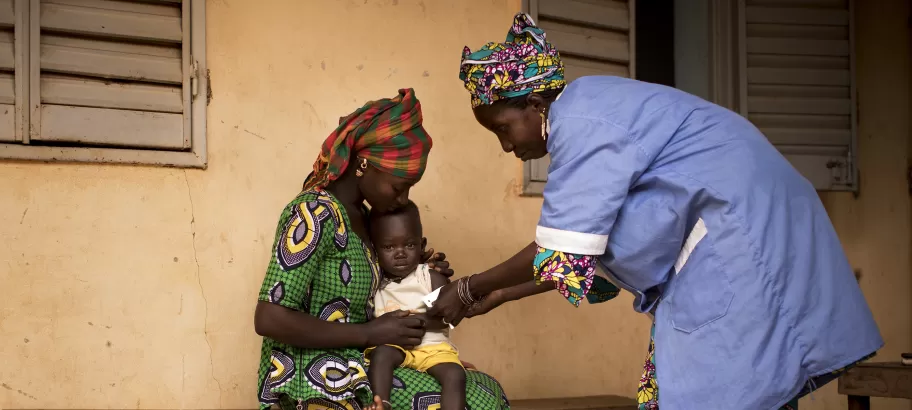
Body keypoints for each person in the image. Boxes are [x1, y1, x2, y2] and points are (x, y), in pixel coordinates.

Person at [429, 13, 883, 410]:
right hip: (750, 233)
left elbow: (561, 246)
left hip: (741, 240)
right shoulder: (593, 109)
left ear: (533, 104)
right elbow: (590, 250)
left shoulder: (581, 122)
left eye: (503, 129)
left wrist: (469, 289)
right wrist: (504, 295)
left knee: (721, 387)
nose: (507, 146)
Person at [253, 89, 509, 410]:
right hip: (313, 371)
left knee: (482, 388)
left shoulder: (364, 217)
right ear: (364, 164)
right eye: (399, 186)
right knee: (476, 402)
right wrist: (368, 333)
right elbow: (268, 319)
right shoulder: (314, 214)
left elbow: (368, 286)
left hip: (364, 356)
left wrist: (422, 268)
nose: (402, 199)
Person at [365, 201, 465, 410]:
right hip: (393, 345)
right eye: (389, 247)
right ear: (374, 250)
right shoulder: (376, 283)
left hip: (433, 347)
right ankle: (381, 403)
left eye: (409, 245)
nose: (400, 253)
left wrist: (411, 323)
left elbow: (443, 318)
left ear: (421, 245)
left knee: (454, 374)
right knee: (381, 355)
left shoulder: (429, 277)